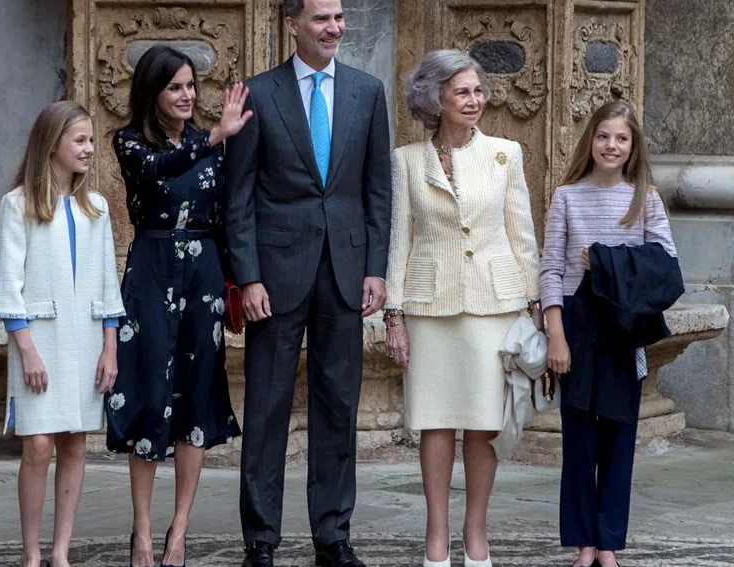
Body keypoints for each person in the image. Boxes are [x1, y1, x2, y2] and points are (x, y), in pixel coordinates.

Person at [223, 0, 391, 565]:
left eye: (339, 17)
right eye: (321, 18)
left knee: (339, 408)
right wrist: (247, 277)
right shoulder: (259, 93)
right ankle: (261, 541)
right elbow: (239, 196)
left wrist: (375, 268)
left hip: (345, 274)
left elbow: (377, 192)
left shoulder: (367, 92)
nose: (334, 27)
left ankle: (333, 536)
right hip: (274, 278)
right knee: (266, 408)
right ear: (292, 24)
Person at [383, 49, 541, 567]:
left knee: (482, 423)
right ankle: (436, 537)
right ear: (436, 99)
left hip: (493, 304)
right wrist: (394, 313)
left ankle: (476, 535)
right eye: (463, 93)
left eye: (478, 91)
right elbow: (398, 240)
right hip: (430, 306)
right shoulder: (407, 160)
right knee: (434, 422)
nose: (475, 101)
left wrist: (536, 304)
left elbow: (522, 234)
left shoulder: (505, 153)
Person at [103, 45, 251, 567]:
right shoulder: (128, 142)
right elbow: (157, 172)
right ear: (153, 92)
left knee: (197, 399)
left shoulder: (211, 141)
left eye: (191, 85)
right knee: (144, 392)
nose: (188, 95)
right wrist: (215, 137)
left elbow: (231, 212)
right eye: (175, 87)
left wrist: (242, 283)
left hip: (203, 274)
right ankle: (141, 531)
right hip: (151, 269)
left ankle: (179, 531)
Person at [539, 100, 680, 567]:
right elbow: (551, 271)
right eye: (603, 136)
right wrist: (555, 334)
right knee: (579, 438)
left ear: (633, 145)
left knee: (619, 437)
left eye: (621, 138)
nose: (611, 146)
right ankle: (582, 542)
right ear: (591, 140)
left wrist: (603, 261)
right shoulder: (566, 196)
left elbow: (665, 267)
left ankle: (609, 543)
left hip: (622, 327)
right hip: (578, 323)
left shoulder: (646, 198)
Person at [0, 100, 124, 567]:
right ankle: (31, 553)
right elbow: (8, 284)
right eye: (80, 140)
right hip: (38, 341)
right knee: (39, 444)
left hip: (86, 340)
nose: (89, 149)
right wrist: (26, 351)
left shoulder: (97, 207)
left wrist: (110, 349)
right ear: (51, 146)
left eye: (90, 140)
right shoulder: (18, 204)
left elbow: (108, 283)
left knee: (76, 441)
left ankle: (61, 553)